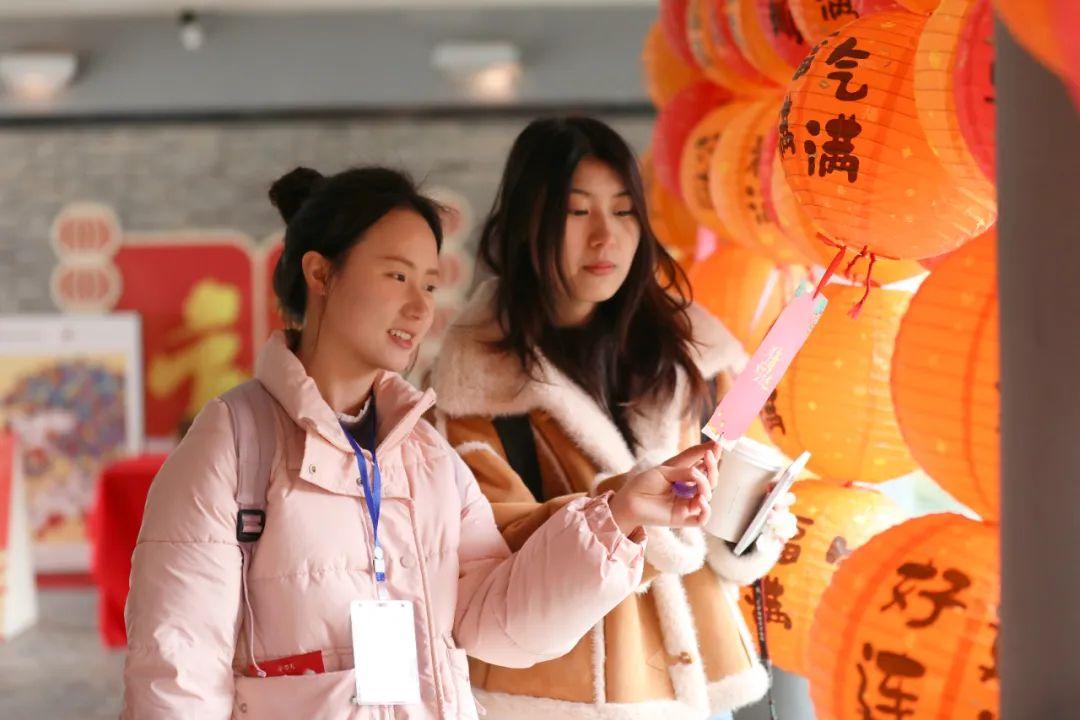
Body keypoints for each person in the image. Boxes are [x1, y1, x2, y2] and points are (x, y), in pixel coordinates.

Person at [121, 165, 724, 720]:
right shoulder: (233, 442)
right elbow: (178, 672)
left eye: (431, 285)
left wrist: (620, 516)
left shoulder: (426, 454)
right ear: (321, 273)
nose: (420, 307)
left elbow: (498, 626)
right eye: (397, 276)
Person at [429, 117, 798, 720]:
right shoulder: (471, 390)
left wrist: (750, 516)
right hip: (560, 702)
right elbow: (490, 552)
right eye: (577, 212)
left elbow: (727, 511)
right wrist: (622, 508)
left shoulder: (693, 358)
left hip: (698, 694)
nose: (605, 236)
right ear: (526, 226)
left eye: (624, 211)